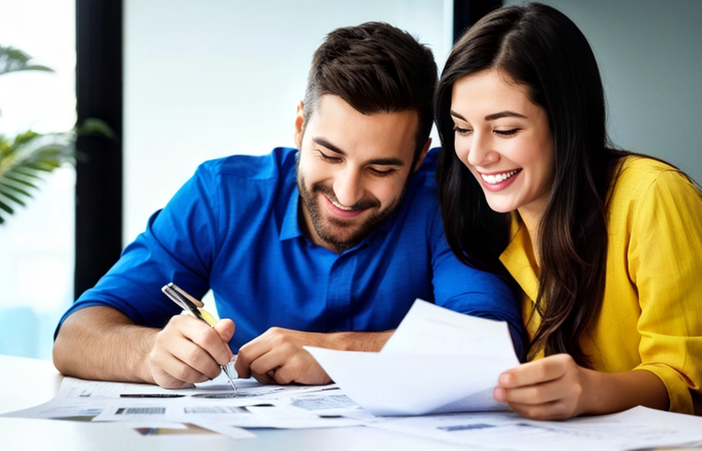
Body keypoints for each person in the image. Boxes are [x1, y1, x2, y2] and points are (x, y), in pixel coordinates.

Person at [53, 21, 524, 389]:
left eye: (380, 169)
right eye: (329, 154)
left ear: (419, 155)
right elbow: (76, 336)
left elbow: (492, 344)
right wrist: (151, 351)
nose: (345, 191)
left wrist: (337, 353)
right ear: (300, 126)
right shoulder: (222, 195)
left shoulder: (448, 194)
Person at [434, 3, 702, 421]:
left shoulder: (652, 194)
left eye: (505, 129)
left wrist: (590, 390)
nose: (477, 154)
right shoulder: (494, 218)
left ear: (565, 121)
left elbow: (695, 385)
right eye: (462, 128)